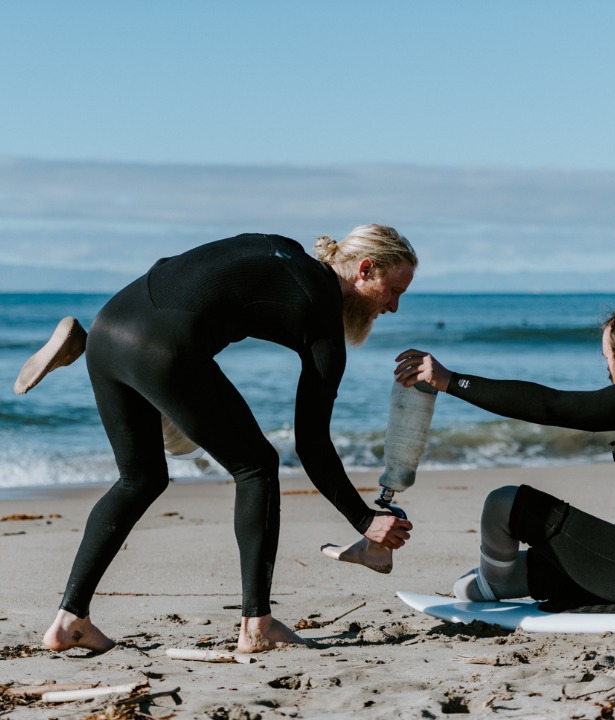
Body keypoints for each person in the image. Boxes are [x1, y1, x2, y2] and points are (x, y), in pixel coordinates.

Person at [41, 225, 416, 654]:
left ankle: (70, 620)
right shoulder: (323, 314)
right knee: (256, 466)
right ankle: (257, 626)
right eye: (393, 291)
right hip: (163, 346)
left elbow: (181, 269)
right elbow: (311, 443)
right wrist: (364, 520)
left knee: (140, 478)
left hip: (109, 328)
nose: (394, 306)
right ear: (365, 270)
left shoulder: (282, 247)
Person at [395, 303, 615, 608]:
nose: (607, 368)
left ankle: (496, 582)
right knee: (465, 586)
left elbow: (551, 404)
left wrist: (449, 380)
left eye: (606, 357)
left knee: (504, 504)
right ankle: (499, 581)